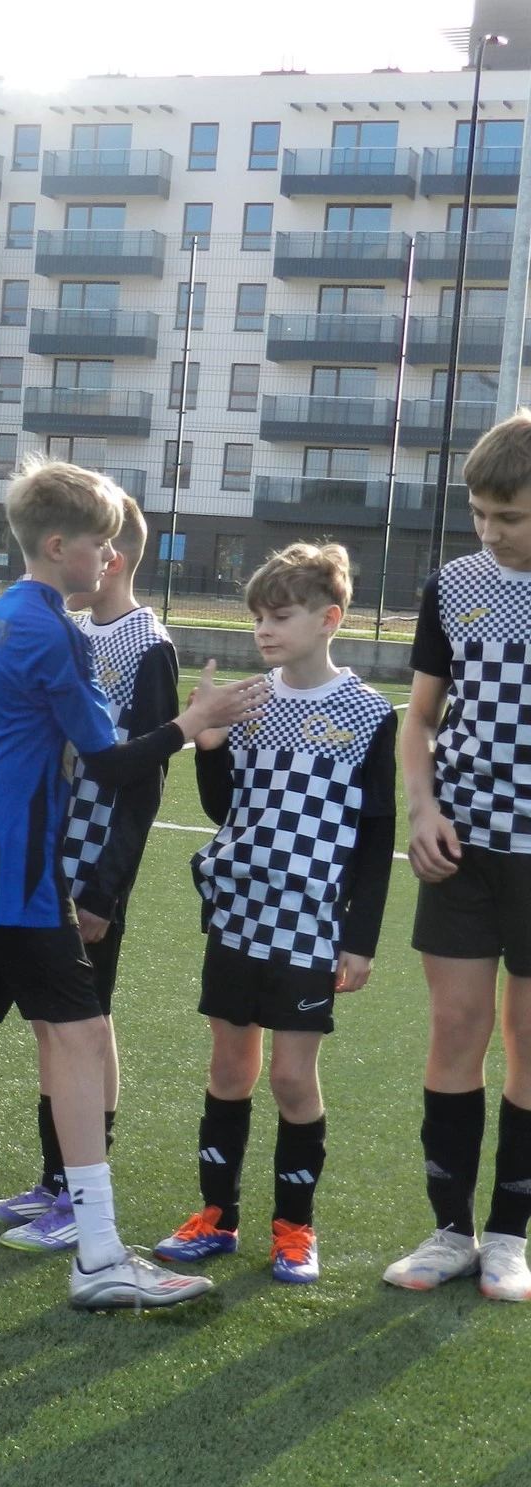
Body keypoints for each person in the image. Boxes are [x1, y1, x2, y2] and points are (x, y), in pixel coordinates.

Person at [0, 457, 266, 1311]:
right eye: (100, 544)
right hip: (13, 857)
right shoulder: (56, 631)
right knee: (77, 1038)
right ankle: (101, 1253)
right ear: (57, 547)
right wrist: (192, 723)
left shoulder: (6, 612)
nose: (110, 558)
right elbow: (111, 762)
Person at [148, 543, 393, 1286]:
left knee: (290, 1077)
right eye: (258, 617)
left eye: (279, 616)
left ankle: (294, 1228)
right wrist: (209, 746)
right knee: (229, 1066)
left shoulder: (368, 714)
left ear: (330, 619)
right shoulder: (248, 701)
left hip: (311, 925)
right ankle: (216, 1216)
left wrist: (359, 939)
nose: (263, 630)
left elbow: (377, 836)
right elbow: (225, 808)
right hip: (238, 913)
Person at [0, 492, 176, 1250]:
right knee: (53, 1028)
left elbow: (142, 783)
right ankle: (55, 1182)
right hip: (43, 854)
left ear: (110, 557)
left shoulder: (150, 645)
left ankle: (80, 1194)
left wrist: (105, 889)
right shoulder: (70, 628)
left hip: (92, 869)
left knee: (87, 1023)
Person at [386, 412, 531, 1302]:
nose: (489, 531)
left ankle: (510, 1236)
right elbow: (419, 720)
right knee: (456, 1030)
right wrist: (424, 807)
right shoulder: (454, 585)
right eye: (479, 513)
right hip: (462, 847)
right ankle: (450, 1231)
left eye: (508, 517)